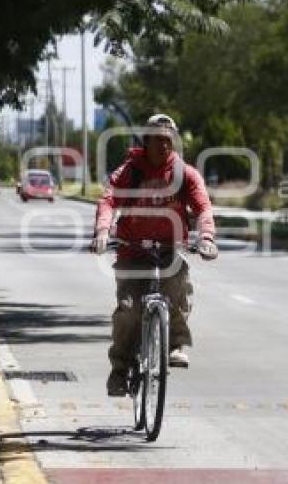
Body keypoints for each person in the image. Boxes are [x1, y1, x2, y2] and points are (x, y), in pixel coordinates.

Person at [92, 114, 218, 396]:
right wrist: (102, 231)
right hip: (132, 249)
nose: (163, 146)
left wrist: (206, 237)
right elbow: (109, 199)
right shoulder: (130, 171)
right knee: (130, 307)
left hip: (170, 247)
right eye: (157, 140)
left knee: (178, 286)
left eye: (168, 141)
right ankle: (120, 369)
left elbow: (203, 207)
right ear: (145, 142)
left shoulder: (184, 173)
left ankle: (175, 345)